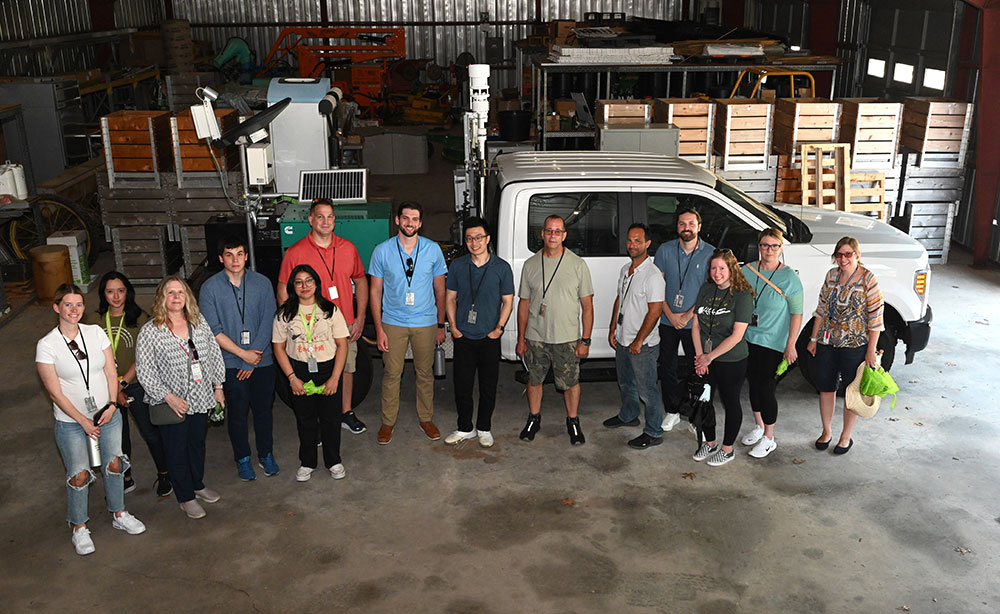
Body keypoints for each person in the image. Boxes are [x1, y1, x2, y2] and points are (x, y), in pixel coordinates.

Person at [37, 284, 146, 555]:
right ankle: (79, 527)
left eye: (79, 305)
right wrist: (83, 421)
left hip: (106, 413)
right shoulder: (47, 345)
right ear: (57, 308)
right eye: (68, 305)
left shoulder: (96, 333)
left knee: (115, 463)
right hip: (71, 422)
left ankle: (119, 513)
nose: (74, 310)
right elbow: (55, 392)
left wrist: (111, 405)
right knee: (80, 473)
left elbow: (112, 373)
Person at [136, 276, 226, 519]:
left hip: (201, 397)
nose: (176, 297)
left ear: (187, 297)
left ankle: (197, 484)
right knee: (175, 449)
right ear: (161, 298)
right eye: (170, 293)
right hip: (171, 403)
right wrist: (168, 397)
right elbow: (145, 371)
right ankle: (185, 497)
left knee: (196, 444)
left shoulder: (198, 322)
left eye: (180, 292)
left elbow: (214, 354)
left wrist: (218, 386)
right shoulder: (151, 330)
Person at [278, 199, 369, 434]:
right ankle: (315, 421)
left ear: (335, 221)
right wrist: (290, 324)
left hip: (345, 323)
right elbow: (282, 289)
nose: (325, 221)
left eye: (330, 217)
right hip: (310, 328)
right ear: (311, 220)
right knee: (312, 371)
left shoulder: (348, 248)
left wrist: (359, 318)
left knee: (347, 368)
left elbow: (360, 280)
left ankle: (345, 412)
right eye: (320, 216)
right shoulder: (295, 252)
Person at [83, 271, 172, 497]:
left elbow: (143, 357)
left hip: (135, 384)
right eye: (110, 291)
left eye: (120, 291)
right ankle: (126, 476)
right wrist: (112, 388)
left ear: (128, 292)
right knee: (118, 438)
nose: (116, 296)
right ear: (103, 293)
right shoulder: (93, 321)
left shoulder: (140, 318)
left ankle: (164, 473)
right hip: (105, 387)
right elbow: (90, 357)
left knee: (150, 432)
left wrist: (121, 384)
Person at [200, 235, 279, 481]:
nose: (235, 260)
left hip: (261, 359)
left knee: (264, 411)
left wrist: (252, 355)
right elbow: (213, 330)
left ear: (246, 256)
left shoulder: (262, 283)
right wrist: (243, 355)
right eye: (229, 255)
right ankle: (243, 459)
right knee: (237, 413)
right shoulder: (210, 288)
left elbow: (269, 320)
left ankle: (266, 454)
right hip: (231, 363)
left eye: (240, 254)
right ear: (221, 258)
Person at [369, 201, 448, 445]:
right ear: (397, 221)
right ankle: (387, 422)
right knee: (392, 373)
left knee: (425, 373)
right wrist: (380, 328)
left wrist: (439, 324)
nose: (409, 223)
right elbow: (375, 292)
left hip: (425, 321)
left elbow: (440, 289)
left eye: (414, 219)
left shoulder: (433, 249)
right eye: (405, 218)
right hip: (393, 322)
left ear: (420, 223)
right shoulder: (382, 251)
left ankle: (426, 418)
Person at [516, 214, 595, 445]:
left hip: (567, 338)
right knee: (535, 380)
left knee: (570, 383)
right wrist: (521, 338)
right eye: (549, 230)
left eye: (558, 231)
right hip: (536, 337)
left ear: (564, 235)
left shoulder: (578, 264)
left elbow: (587, 306)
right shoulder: (530, 265)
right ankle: (534, 418)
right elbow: (524, 304)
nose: (553, 235)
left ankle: (573, 421)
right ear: (542, 234)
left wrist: (585, 340)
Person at [806, 237, 884, 455]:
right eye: (839, 254)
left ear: (857, 255)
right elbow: (820, 308)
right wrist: (813, 339)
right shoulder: (831, 276)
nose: (843, 258)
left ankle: (845, 436)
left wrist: (871, 350)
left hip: (855, 344)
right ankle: (826, 431)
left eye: (848, 254)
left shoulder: (869, 279)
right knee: (825, 387)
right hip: (827, 341)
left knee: (852, 391)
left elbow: (876, 317)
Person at [272, 265, 350, 481]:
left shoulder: (330, 310)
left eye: (309, 281)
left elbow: (342, 345)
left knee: (331, 419)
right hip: (298, 371)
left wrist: (335, 378)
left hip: (328, 369)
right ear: (292, 286)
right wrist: (292, 378)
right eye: (298, 282)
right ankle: (307, 462)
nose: (304, 286)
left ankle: (333, 460)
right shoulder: (284, 314)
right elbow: (278, 347)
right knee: (305, 420)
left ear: (316, 284)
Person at [444, 217, 514, 448]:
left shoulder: (501, 267)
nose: (474, 243)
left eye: (479, 238)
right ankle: (465, 427)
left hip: (488, 337)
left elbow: (508, 302)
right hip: (463, 336)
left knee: (488, 386)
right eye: (470, 239)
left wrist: (499, 329)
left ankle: (484, 427)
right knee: (462, 386)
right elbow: (450, 298)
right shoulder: (457, 266)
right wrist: (453, 327)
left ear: (488, 239)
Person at [739, 229, 804, 459]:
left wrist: (791, 344)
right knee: (753, 385)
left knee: (766, 387)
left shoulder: (789, 278)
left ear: (781, 248)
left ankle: (769, 437)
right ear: (759, 246)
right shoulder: (747, 271)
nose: (769, 250)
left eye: (774, 246)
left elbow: (797, 313)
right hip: (748, 338)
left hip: (774, 342)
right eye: (765, 245)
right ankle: (758, 426)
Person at [603, 223, 666, 449]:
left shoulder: (653, 275)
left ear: (647, 244)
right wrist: (613, 329)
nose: (632, 245)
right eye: (630, 240)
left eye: (637, 241)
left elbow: (655, 310)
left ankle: (654, 431)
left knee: (647, 391)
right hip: (623, 339)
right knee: (626, 384)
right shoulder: (625, 270)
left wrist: (639, 340)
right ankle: (629, 415)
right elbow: (619, 299)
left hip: (643, 345)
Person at [690, 249, 754, 467]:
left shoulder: (743, 295)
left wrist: (710, 357)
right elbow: (696, 324)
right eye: (713, 268)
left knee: (730, 402)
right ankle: (710, 443)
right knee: (705, 400)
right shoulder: (706, 289)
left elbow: (737, 335)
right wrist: (700, 355)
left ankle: (727, 449)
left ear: (731, 269)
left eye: (722, 268)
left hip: (731, 360)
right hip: (706, 358)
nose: (717, 273)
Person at [654, 207, 714, 431]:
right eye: (682, 224)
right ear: (676, 227)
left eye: (691, 224)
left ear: (699, 227)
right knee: (667, 367)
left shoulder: (710, 253)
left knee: (697, 367)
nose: (686, 228)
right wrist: (671, 315)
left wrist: (688, 315)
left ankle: (695, 412)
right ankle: (672, 410)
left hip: (696, 323)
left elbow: (710, 290)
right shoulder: (665, 250)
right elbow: (656, 287)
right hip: (668, 321)